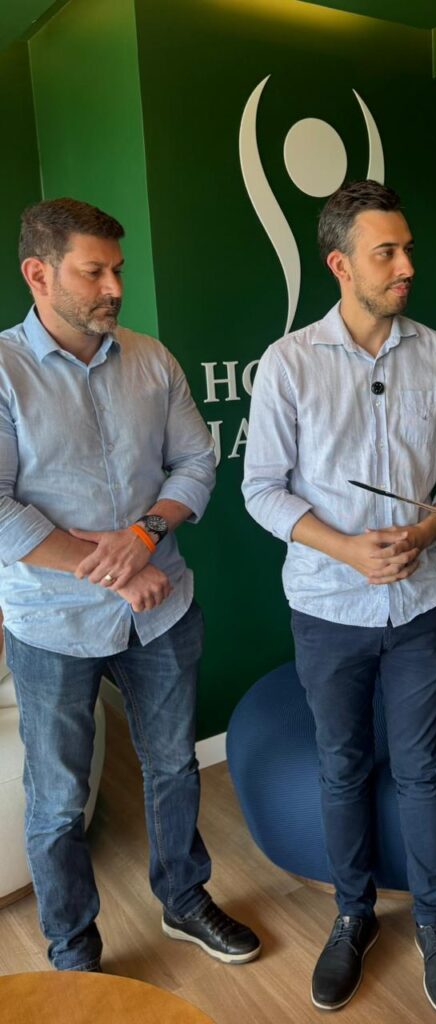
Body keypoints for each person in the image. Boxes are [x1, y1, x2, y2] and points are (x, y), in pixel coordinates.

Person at [0, 198, 260, 973]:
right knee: (56, 800)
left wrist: (145, 536)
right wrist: (120, 571)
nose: (114, 287)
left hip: (161, 609)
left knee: (174, 766)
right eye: (94, 272)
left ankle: (184, 900)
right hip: (53, 622)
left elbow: (197, 464)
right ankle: (73, 948)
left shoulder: (151, 359)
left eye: (118, 270)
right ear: (38, 274)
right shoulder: (4, 372)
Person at [243, 180, 436, 1017]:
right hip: (326, 607)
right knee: (341, 765)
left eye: (407, 248)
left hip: (423, 603)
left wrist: (426, 531)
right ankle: (352, 916)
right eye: (388, 252)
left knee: (423, 766)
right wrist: (347, 548)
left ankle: (434, 922)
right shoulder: (289, 363)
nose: (407, 265)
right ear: (340, 265)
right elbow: (261, 489)